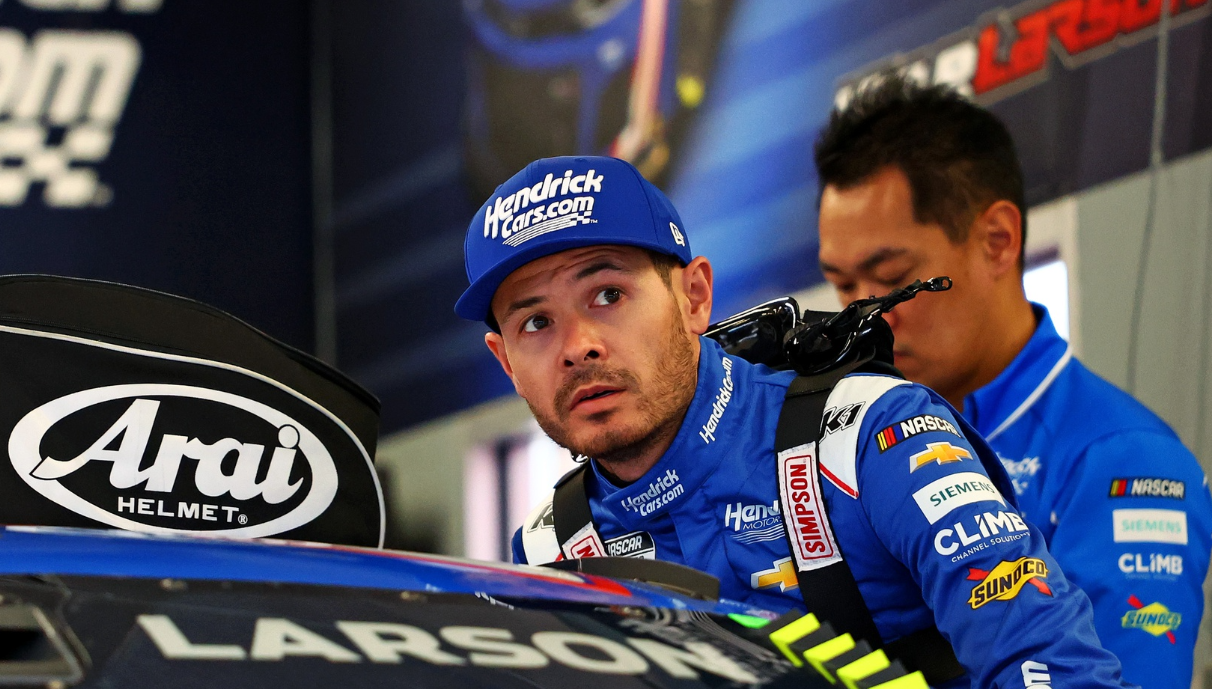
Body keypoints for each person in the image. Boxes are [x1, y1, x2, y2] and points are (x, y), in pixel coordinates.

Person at [454, 154, 1126, 688]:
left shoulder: (872, 439)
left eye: (608, 294)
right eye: (536, 321)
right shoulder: (548, 552)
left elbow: (1055, 666)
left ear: (694, 298)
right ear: (505, 360)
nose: (578, 347)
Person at [813, 76, 1212, 689]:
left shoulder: (1122, 461)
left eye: (889, 277)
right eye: (842, 286)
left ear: (997, 242)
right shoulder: (844, 446)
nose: (861, 314)